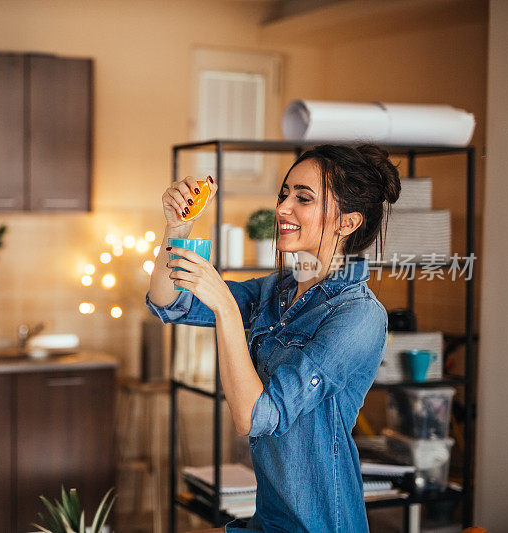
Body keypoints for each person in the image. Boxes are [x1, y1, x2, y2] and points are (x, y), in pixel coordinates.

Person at [145, 144, 401, 532]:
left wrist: (227, 310)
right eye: (285, 194)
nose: (283, 208)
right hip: (270, 518)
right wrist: (177, 228)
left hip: (321, 524)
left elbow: (254, 416)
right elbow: (170, 302)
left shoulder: (359, 316)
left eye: (303, 198)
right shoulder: (279, 289)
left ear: (346, 223)